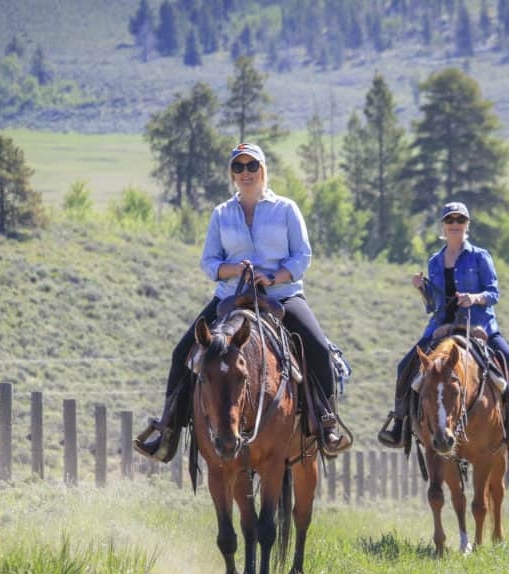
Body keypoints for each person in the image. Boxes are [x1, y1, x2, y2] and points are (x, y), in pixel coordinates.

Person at [137, 143, 350, 458]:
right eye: (239, 167)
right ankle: (169, 429)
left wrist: (275, 276)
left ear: (263, 170)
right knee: (183, 351)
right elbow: (208, 262)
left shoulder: (287, 208)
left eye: (252, 166)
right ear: (232, 174)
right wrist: (231, 269)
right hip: (231, 297)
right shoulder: (221, 214)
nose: (246, 172)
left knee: (316, 346)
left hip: (280, 295)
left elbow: (302, 256)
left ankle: (327, 422)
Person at [377, 201, 509, 448]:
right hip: (442, 326)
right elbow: (434, 304)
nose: (455, 225)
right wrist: (422, 288)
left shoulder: (480, 256)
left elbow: (494, 293)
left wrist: (474, 298)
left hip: (479, 326)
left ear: (467, 225)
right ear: (443, 227)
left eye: (460, 220)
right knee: (405, 366)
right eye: (450, 220)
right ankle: (400, 424)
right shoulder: (435, 261)